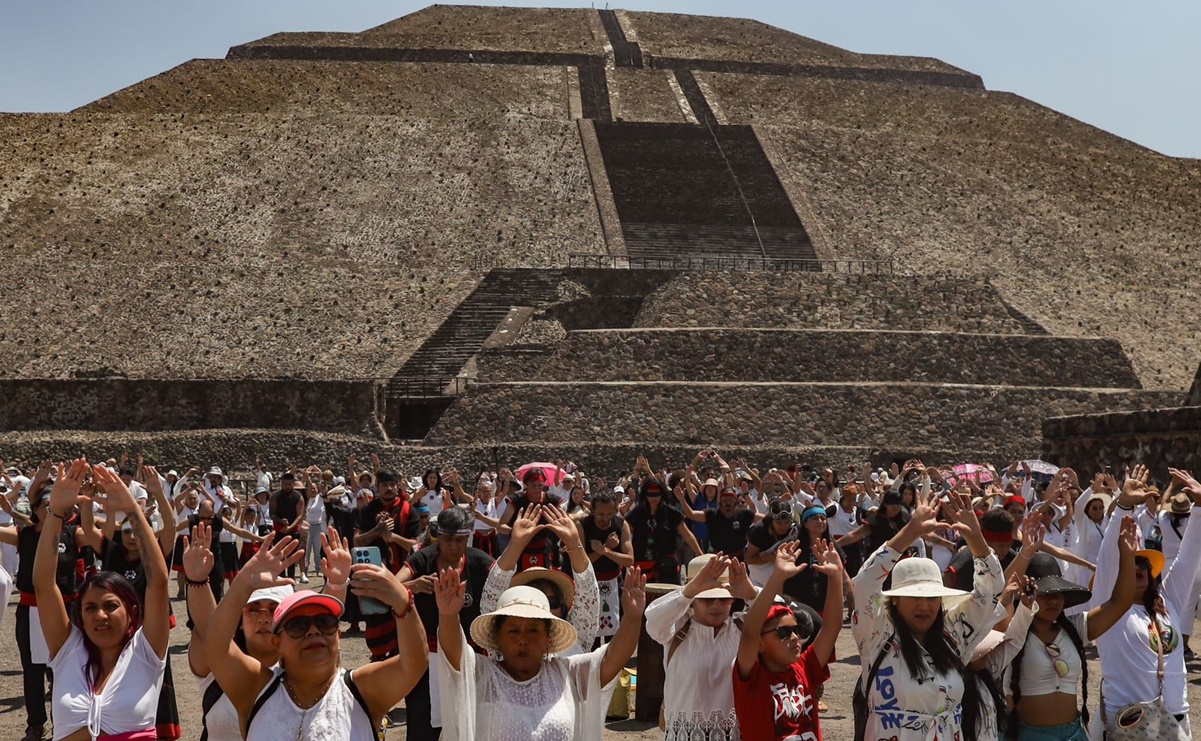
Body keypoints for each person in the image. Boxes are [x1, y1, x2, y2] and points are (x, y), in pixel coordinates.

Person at [204, 531, 428, 740]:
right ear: (277, 642)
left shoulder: (361, 691)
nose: (313, 631)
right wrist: (243, 583)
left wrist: (403, 602)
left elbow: (414, 663)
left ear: (338, 636)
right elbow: (216, 647)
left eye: (325, 623)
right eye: (299, 626)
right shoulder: (256, 689)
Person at [851, 487, 1004, 741]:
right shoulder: (878, 634)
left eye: (931, 598)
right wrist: (910, 532)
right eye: (914, 598)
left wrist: (977, 539)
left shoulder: (953, 637)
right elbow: (866, 583)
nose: (924, 607)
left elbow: (990, 591)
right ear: (895, 601)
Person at [36, 460, 171, 741]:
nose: (101, 615)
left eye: (111, 605)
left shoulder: (147, 652)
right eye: (90, 608)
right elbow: (44, 587)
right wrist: (56, 512)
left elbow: (158, 581)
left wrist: (133, 510)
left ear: (132, 611)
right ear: (80, 617)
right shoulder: (67, 649)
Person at [433, 565, 647, 741]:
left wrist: (633, 617)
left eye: (534, 630)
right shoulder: (482, 675)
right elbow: (454, 654)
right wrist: (448, 615)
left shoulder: (568, 674)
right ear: (497, 638)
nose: (523, 639)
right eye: (513, 631)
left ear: (548, 638)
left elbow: (613, 658)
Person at [185, 521, 350, 741]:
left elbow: (324, 626)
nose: (263, 617)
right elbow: (209, 629)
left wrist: (337, 584)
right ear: (239, 619)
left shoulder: (305, 671)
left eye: (273, 609)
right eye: (253, 609)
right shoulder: (217, 668)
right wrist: (197, 580)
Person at [1094, 466, 1201, 738]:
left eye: (1143, 562)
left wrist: (1199, 506)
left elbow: (1189, 557)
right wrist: (1124, 506)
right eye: (1130, 561)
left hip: (1176, 720)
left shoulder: (1168, 602)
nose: (1137, 567)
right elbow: (1108, 560)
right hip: (1129, 723)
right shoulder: (1110, 609)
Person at [1004, 525, 1137, 741]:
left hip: (1074, 735)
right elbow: (996, 596)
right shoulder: (1010, 633)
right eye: (1044, 594)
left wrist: (1128, 556)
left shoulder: (1074, 629)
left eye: (1058, 593)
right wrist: (1025, 552)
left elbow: (1120, 604)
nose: (1053, 600)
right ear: (1025, 594)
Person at [0, 462, 85, 741]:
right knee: (32, 670)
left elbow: (104, 534)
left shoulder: (73, 534)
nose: (49, 512)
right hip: (30, 609)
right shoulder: (23, 535)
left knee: (65, 667)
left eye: (54, 507)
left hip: (66, 609)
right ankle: (35, 724)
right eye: (44, 507)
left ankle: (67, 721)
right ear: (35, 511)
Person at [397, 506, 497, 741]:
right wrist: (412, 586)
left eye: (460, 540)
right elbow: (392, 584)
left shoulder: (479, 562)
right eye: (447, 539)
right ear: (436, 536)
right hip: (426, 658)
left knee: (472, 723)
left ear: (468, 537)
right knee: (422, 725)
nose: (453, 546)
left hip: (470, 656)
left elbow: (506, 581)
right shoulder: (423, 559)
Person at [734, 539, 843, 740]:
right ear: (759, 644)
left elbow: (831, 627)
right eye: (783, 633)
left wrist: (836, 576)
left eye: (797, 630)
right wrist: (777, 578)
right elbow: (750, 631)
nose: (794, 638)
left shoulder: (805, 668)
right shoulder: (751, 679)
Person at [645, 553, 758, 740]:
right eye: (706, 598)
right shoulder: (677, 628)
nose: (716, 605)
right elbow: (653, 621)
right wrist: (691, 589)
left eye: (724, 599)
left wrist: (751, 593)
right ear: (693, 601)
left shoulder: (742, 629)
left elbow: (787, 618)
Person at [482, 504, 599, 656]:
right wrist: (515, 545)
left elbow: (588, 593)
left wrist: (574, 544)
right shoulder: (503, 647)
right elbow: (493, 595)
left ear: (563, 609)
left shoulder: (577, 640)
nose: (544, 608)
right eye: (533, 601)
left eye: (552, 602)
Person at [354, 468, 422, 661]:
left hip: (402, 576)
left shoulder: (408, 510)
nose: (389, 488)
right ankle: (378, 661)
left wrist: (392, 537)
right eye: (385, 485)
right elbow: (357, 541)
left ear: (398, 486)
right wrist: (377, 530)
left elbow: (416, 544)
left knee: (402, 618)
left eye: (392, 484)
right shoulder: (368, 510)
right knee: (377, 621)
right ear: (378, 487)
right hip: (374, 575)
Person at [578, 490, 633, 641]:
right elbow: (580, 563)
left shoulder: (621, 524)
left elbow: (629, 560)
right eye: (600, 514)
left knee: (615, 633)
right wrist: (601, 551)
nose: (605, 519)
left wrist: (606, 550)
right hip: (590, 583)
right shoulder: (583, 525)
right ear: (592, 511)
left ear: (616, 510)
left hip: (614, 583)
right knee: (590, 634)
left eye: (609, 514)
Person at [626, 478, 701, 584]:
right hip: (643, 562)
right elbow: (625, 533)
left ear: (662, 494)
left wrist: (700, 554)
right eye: (650, 495)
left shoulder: (671, 513)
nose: (654, 498)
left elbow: (687, 534)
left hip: (667, 563)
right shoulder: (637, 513)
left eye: (657, 495)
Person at [679, 482, 760, 558]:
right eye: (725, 500)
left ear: (735, 501)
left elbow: (766, 519)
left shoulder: (744, 514)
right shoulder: (712, 514)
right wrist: (682, 499)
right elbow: (691, 514)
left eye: (731, 500)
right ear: (720, 501)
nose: (727, 503)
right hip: (718, 557)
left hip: (739, 558)